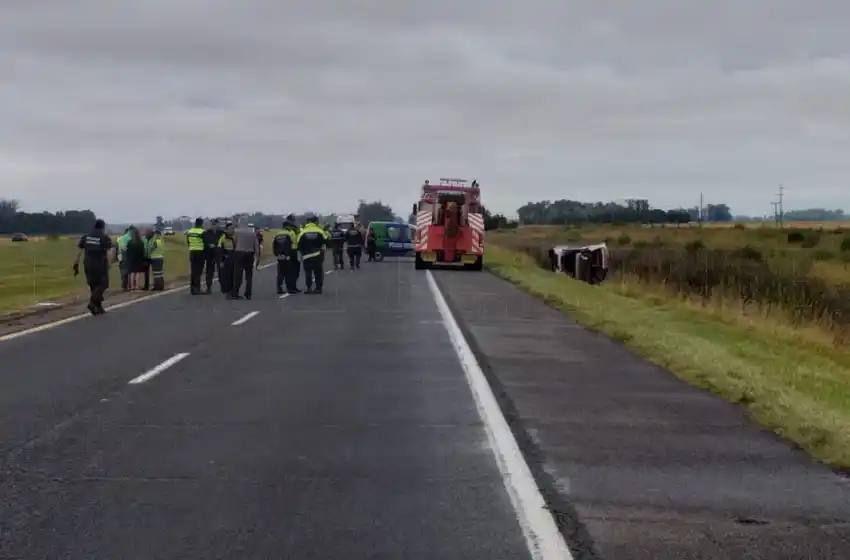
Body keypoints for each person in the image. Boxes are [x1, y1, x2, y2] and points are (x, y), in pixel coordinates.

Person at [73, 218, 114, 314]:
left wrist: (76, 263)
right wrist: (109, 262)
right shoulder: (104, 237)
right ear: (102, 227)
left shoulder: (86, 237)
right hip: (100, 264)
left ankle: (98, 307)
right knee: (103, 284)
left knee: (93, 285)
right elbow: (111, 250)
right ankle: (92, 303)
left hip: (87, 263)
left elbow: (79, 250)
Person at [297, 214, 329, 293]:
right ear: (316, 222)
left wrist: (303, 252)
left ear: (307, 222)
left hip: (306, 256)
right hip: (318, 255)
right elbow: (327, 240)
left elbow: (298, 244)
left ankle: (309, 288)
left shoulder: (303, 232)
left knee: (308, 272)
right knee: (318, 272)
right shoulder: (319, 230)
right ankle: (318, 288)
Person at [230, 220, 260, 299]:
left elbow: (234, 243)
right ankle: (248, 293)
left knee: (237, 275)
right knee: (249, 275)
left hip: (239, 253)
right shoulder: (252, 233)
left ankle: (235, 293)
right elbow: (256, 246)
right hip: (249, 254)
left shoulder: (237, 232)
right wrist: (257, 258)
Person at [272, 220, 298, 294]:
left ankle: (279, 289)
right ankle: (289, 288)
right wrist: (290, 255)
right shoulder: (289, 234)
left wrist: (276, 254)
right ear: (287, 226)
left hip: (279, 256)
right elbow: (291, 245)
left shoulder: (278, 234)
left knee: (280, 273)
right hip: (287, 256)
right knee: (288, 273)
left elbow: (274, 245)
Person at [185, 218, 207, 295]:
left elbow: (188, 242)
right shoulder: (202, 232)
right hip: (200, 252)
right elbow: (206, 243)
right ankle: (197, 289)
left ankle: (192, 289)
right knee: (198, 271)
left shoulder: (190, 231)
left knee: (193, 271)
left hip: (192, 252)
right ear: (201, 224)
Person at [202, 219, 222, 294]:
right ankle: (208, 287)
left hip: (219, 254)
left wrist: (216, 245)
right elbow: (204, 242)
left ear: (218, 224)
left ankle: (223, 287)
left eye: (215, 224)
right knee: (209, 271)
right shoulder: (207, 233)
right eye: (212, 224)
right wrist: (208, 245)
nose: (214, 226)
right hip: (209, 254)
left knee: (221, 270)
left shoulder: (221, 233)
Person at [217, 221, 237, 296]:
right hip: (226, 259)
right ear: (227, 230)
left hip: (234, 258)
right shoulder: (223, 238)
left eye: (233, 228)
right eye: (231, 229)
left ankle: (232, 291)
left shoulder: (235, 237)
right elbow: (219, 250)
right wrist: (221, 260)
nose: (232, 230)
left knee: (234, 276)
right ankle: (227, 291)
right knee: (226, 276)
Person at [125, 226, 147, 291]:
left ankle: (132, 286)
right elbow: (142, 251)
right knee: (137, 273)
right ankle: (137, 286)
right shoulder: (140, 242)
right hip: (138, 259)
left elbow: (127, 251)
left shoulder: (129, 242)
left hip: (131, 259)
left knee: (132, 273)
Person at [116, 227, 131, 291]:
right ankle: (127, 286)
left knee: (122, 272)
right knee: (127, 272)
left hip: (120, 256)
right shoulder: (129, 238)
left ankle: (123, 286)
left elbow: (116, 248)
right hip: (126, 256)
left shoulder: (119, 239)